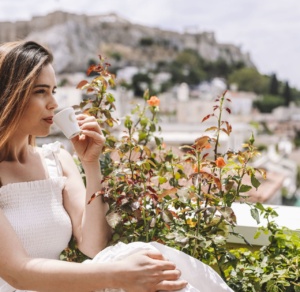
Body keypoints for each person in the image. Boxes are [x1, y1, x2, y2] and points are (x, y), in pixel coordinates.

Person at [0, 40, 233, 292]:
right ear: (8, 94)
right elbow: (18, 273)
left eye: (54, 90)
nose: (54, 103)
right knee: (133, 260)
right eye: (40, 91)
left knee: (142, 256)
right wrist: (119, 275)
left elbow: (92, 245)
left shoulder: (56, 161)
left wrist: (91, 164)